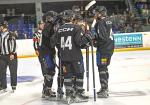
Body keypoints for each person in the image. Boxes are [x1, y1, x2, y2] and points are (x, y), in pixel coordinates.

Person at [50, 10, 92, 102]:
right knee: (79, 74)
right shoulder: (76, 28)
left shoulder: (59, 29)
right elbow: (80, 42)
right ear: (71, 18)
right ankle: (78, 95)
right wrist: (88, 33)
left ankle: (69, 96)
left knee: (67, 76)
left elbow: (52, 42)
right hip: (75, 57)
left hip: (64, 57)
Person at [93, 6, 114, 98]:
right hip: (110, 48)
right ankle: (105, 87)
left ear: (101, 13)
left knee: (101, 68)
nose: (95, 14)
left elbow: (102, 37)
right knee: (104, 68)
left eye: (96, 13)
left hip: (103, 49)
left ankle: (104, 90)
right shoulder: (109, 20)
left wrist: (95, 42)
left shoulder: (100, 22)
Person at [0, 21, 18, 92]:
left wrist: (12, 53)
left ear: (3, 27)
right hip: (3, 56)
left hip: (11, 56)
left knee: (13, 71)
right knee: (2, 72)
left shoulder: (10, 34)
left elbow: (14, 44)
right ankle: (3, 86)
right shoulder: (1, 35)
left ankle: (13, 86)